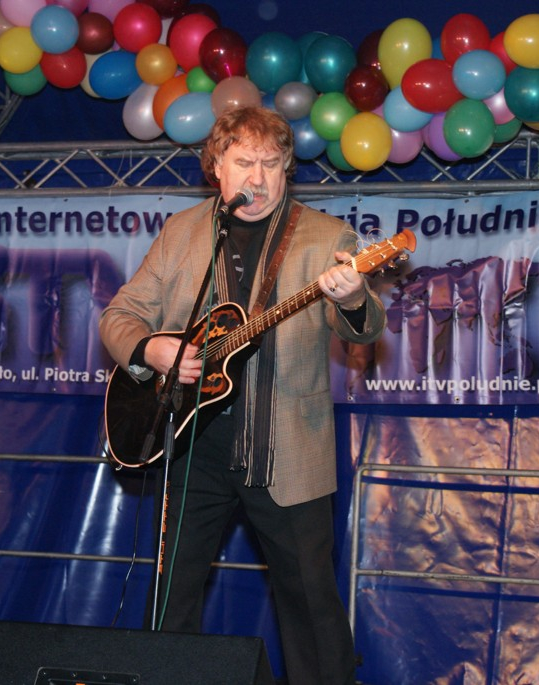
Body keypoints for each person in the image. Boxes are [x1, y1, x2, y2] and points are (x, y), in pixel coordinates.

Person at [98, 105, 386, 685]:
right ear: (217, 169)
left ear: (286, 170)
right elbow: (118, 316)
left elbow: (364, 328)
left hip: (285, 451)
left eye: (271, 164)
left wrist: (354, 296)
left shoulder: (326, 236)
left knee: (311, 604)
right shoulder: (181, 232)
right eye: (245, 163)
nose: (258, 177)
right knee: (172, 599)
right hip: (191, 446)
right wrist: (152, 349)